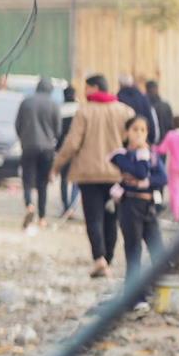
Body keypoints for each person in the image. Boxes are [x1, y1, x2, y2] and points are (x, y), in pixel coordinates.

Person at [54, 74, 133, 277]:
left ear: (95, 88)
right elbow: (131, 140)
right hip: (115, 174)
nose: (84, 92)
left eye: (87, 88)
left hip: (89, 175)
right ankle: (108, 259)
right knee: (111, 218)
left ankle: (99, 259)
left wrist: (56, 166)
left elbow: (72, 143)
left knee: (94, 218)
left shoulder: (85, 111)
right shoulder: (124, 111)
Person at [110, 115, 166, 300]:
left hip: (148, 205)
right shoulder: (121, 155)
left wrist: (145, 182)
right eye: (135, 129)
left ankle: (158, 289)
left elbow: (162, 178)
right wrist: (142, 159)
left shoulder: (154, 155)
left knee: (157, 248)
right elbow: (140, 172)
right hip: (130, 205)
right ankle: (135, 296)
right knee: (134, 251)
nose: (139, 134)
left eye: (143, 130)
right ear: (127, 133)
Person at [15, 77, 62, 232]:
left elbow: (18, 124)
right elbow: (58, 130)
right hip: (47, 148)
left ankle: (29, 204)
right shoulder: (54, 105)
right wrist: (51, 140)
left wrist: (24, 138)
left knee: (27, 179)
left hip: (28, 146)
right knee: (43, 183)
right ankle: (42, 217)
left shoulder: (26, 102)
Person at [57, 84, 80, 219]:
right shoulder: (79, 109)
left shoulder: (60, 109)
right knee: (76, 180)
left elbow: (57, 131)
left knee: (64, 179)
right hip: (77, 150)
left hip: (63, 149)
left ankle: (65, 206)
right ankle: (72, 207)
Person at [116, 74, 156, 139]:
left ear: (120, 84)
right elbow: (150, 117)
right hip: (143, 136)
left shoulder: (118, 98)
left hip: (125, 139)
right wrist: (151, 138)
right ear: (132, 83)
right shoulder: (143, 97)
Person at [146, 79, 175, 146]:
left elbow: (171, 124)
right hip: (159, 141)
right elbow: (171, 125)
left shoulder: (147, 106)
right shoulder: (165, 105)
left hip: (156, 141)